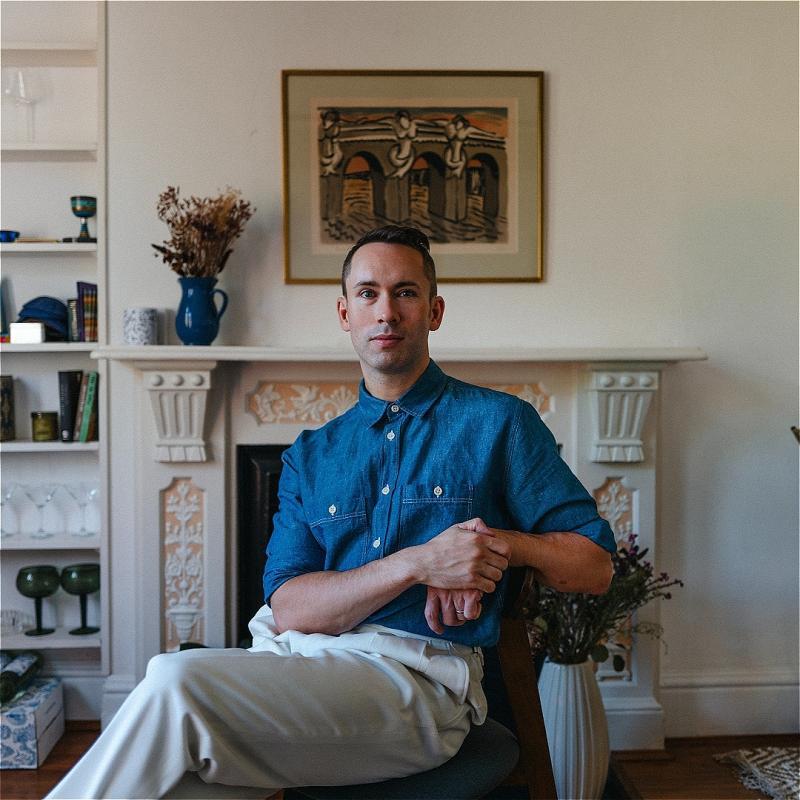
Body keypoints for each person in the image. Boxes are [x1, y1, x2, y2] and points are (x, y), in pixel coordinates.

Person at [47, 225, 614, 800]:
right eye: (368, 294)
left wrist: (495, 546)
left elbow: (595, 568)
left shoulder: (500, 424)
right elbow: (290, 607)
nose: (386, 312)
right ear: (345, 313)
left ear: (435, 310)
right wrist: (420, 562)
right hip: (302, 664)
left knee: (173, 680)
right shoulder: (311, 455)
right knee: (176, 777)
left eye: (406, 293)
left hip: (419, 686)